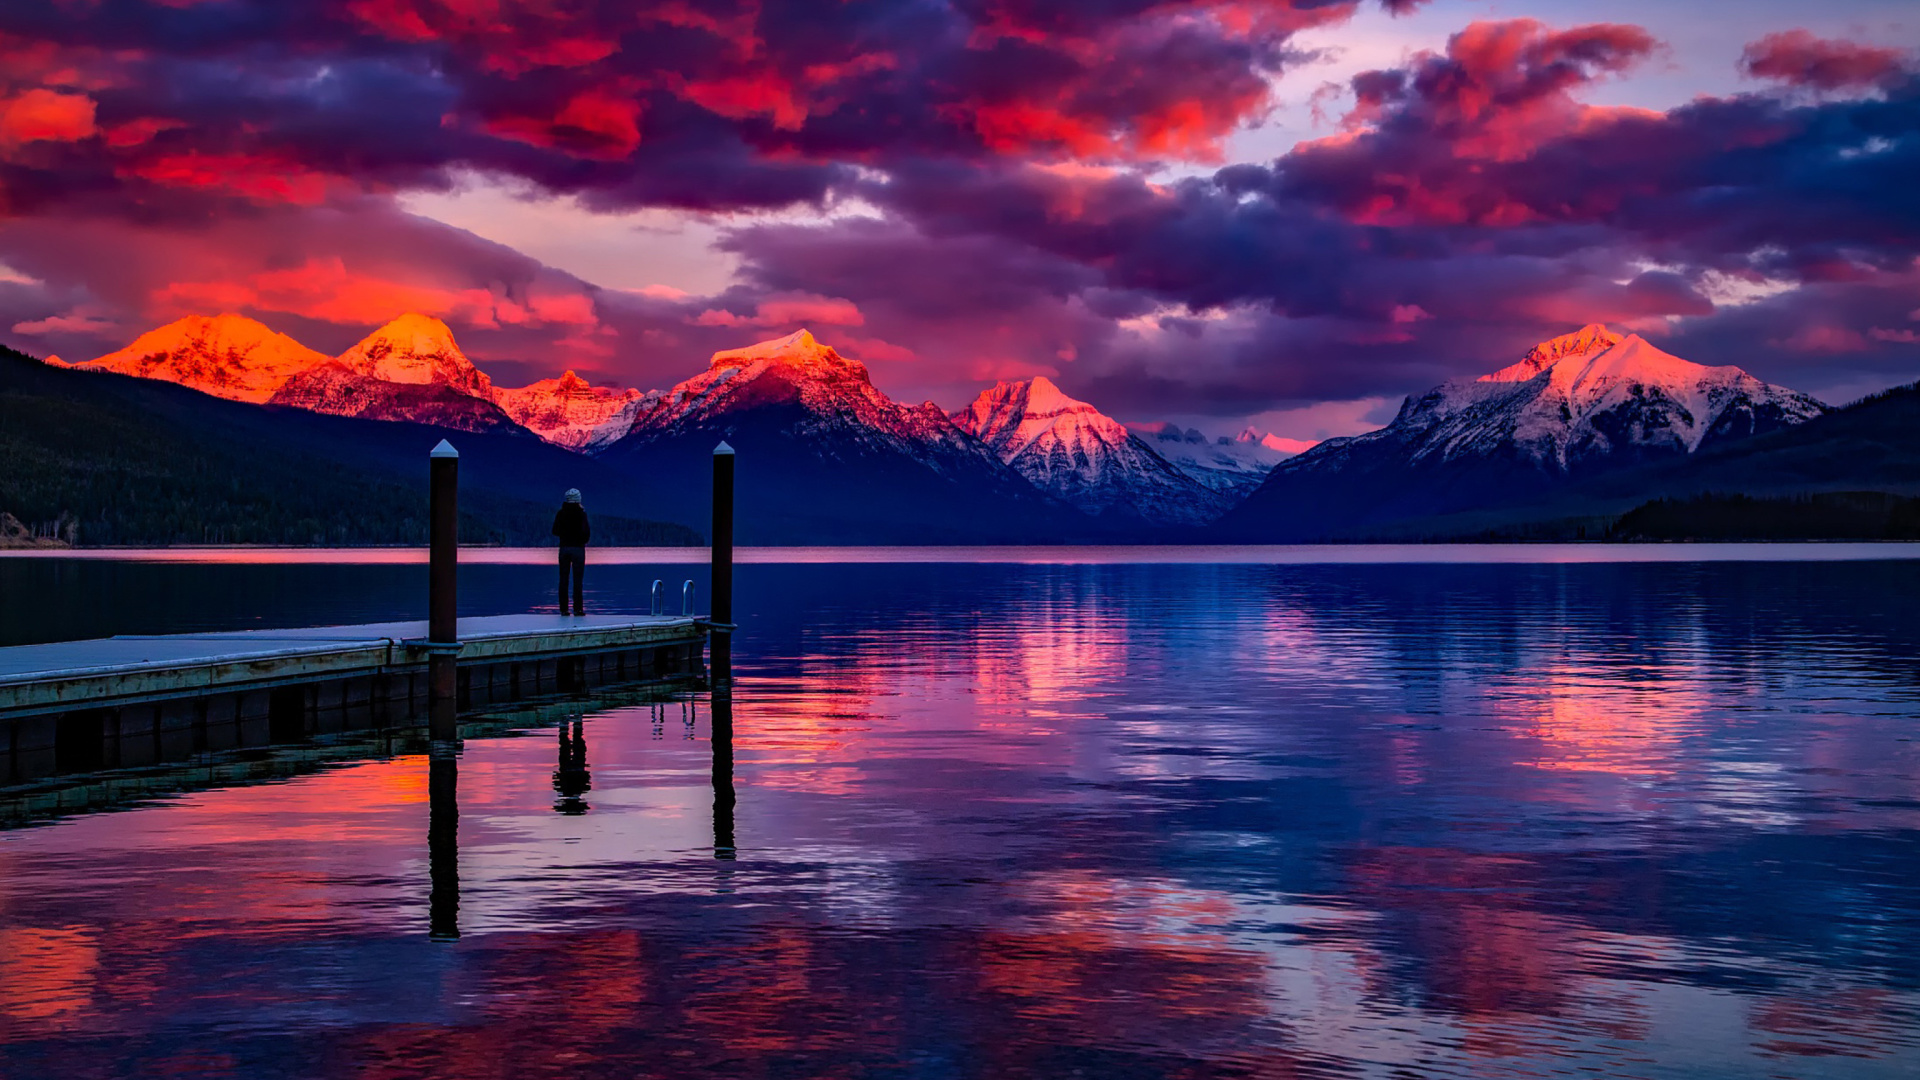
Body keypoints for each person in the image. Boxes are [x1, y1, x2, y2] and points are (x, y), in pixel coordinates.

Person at [552, 488, 590, 615]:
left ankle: (564, 609)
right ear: (578, 499)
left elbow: (555, 531)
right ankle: (578, 609)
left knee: (563, 579)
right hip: (578, 549)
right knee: (577, 580)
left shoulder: (561, 513)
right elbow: (586, 533)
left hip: (564, 548)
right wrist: (581, 540)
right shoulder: (581, 514)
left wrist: (565, 534)